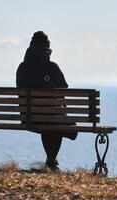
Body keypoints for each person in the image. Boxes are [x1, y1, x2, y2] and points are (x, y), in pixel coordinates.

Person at [16, 31, 77, 170]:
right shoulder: (52, 67)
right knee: (55, 124)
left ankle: (51, 162)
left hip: (29, 117)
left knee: (46, 125)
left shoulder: (22, 68)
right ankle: (50, 162)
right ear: (47, 49)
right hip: (52, 116)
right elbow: (64, 88)